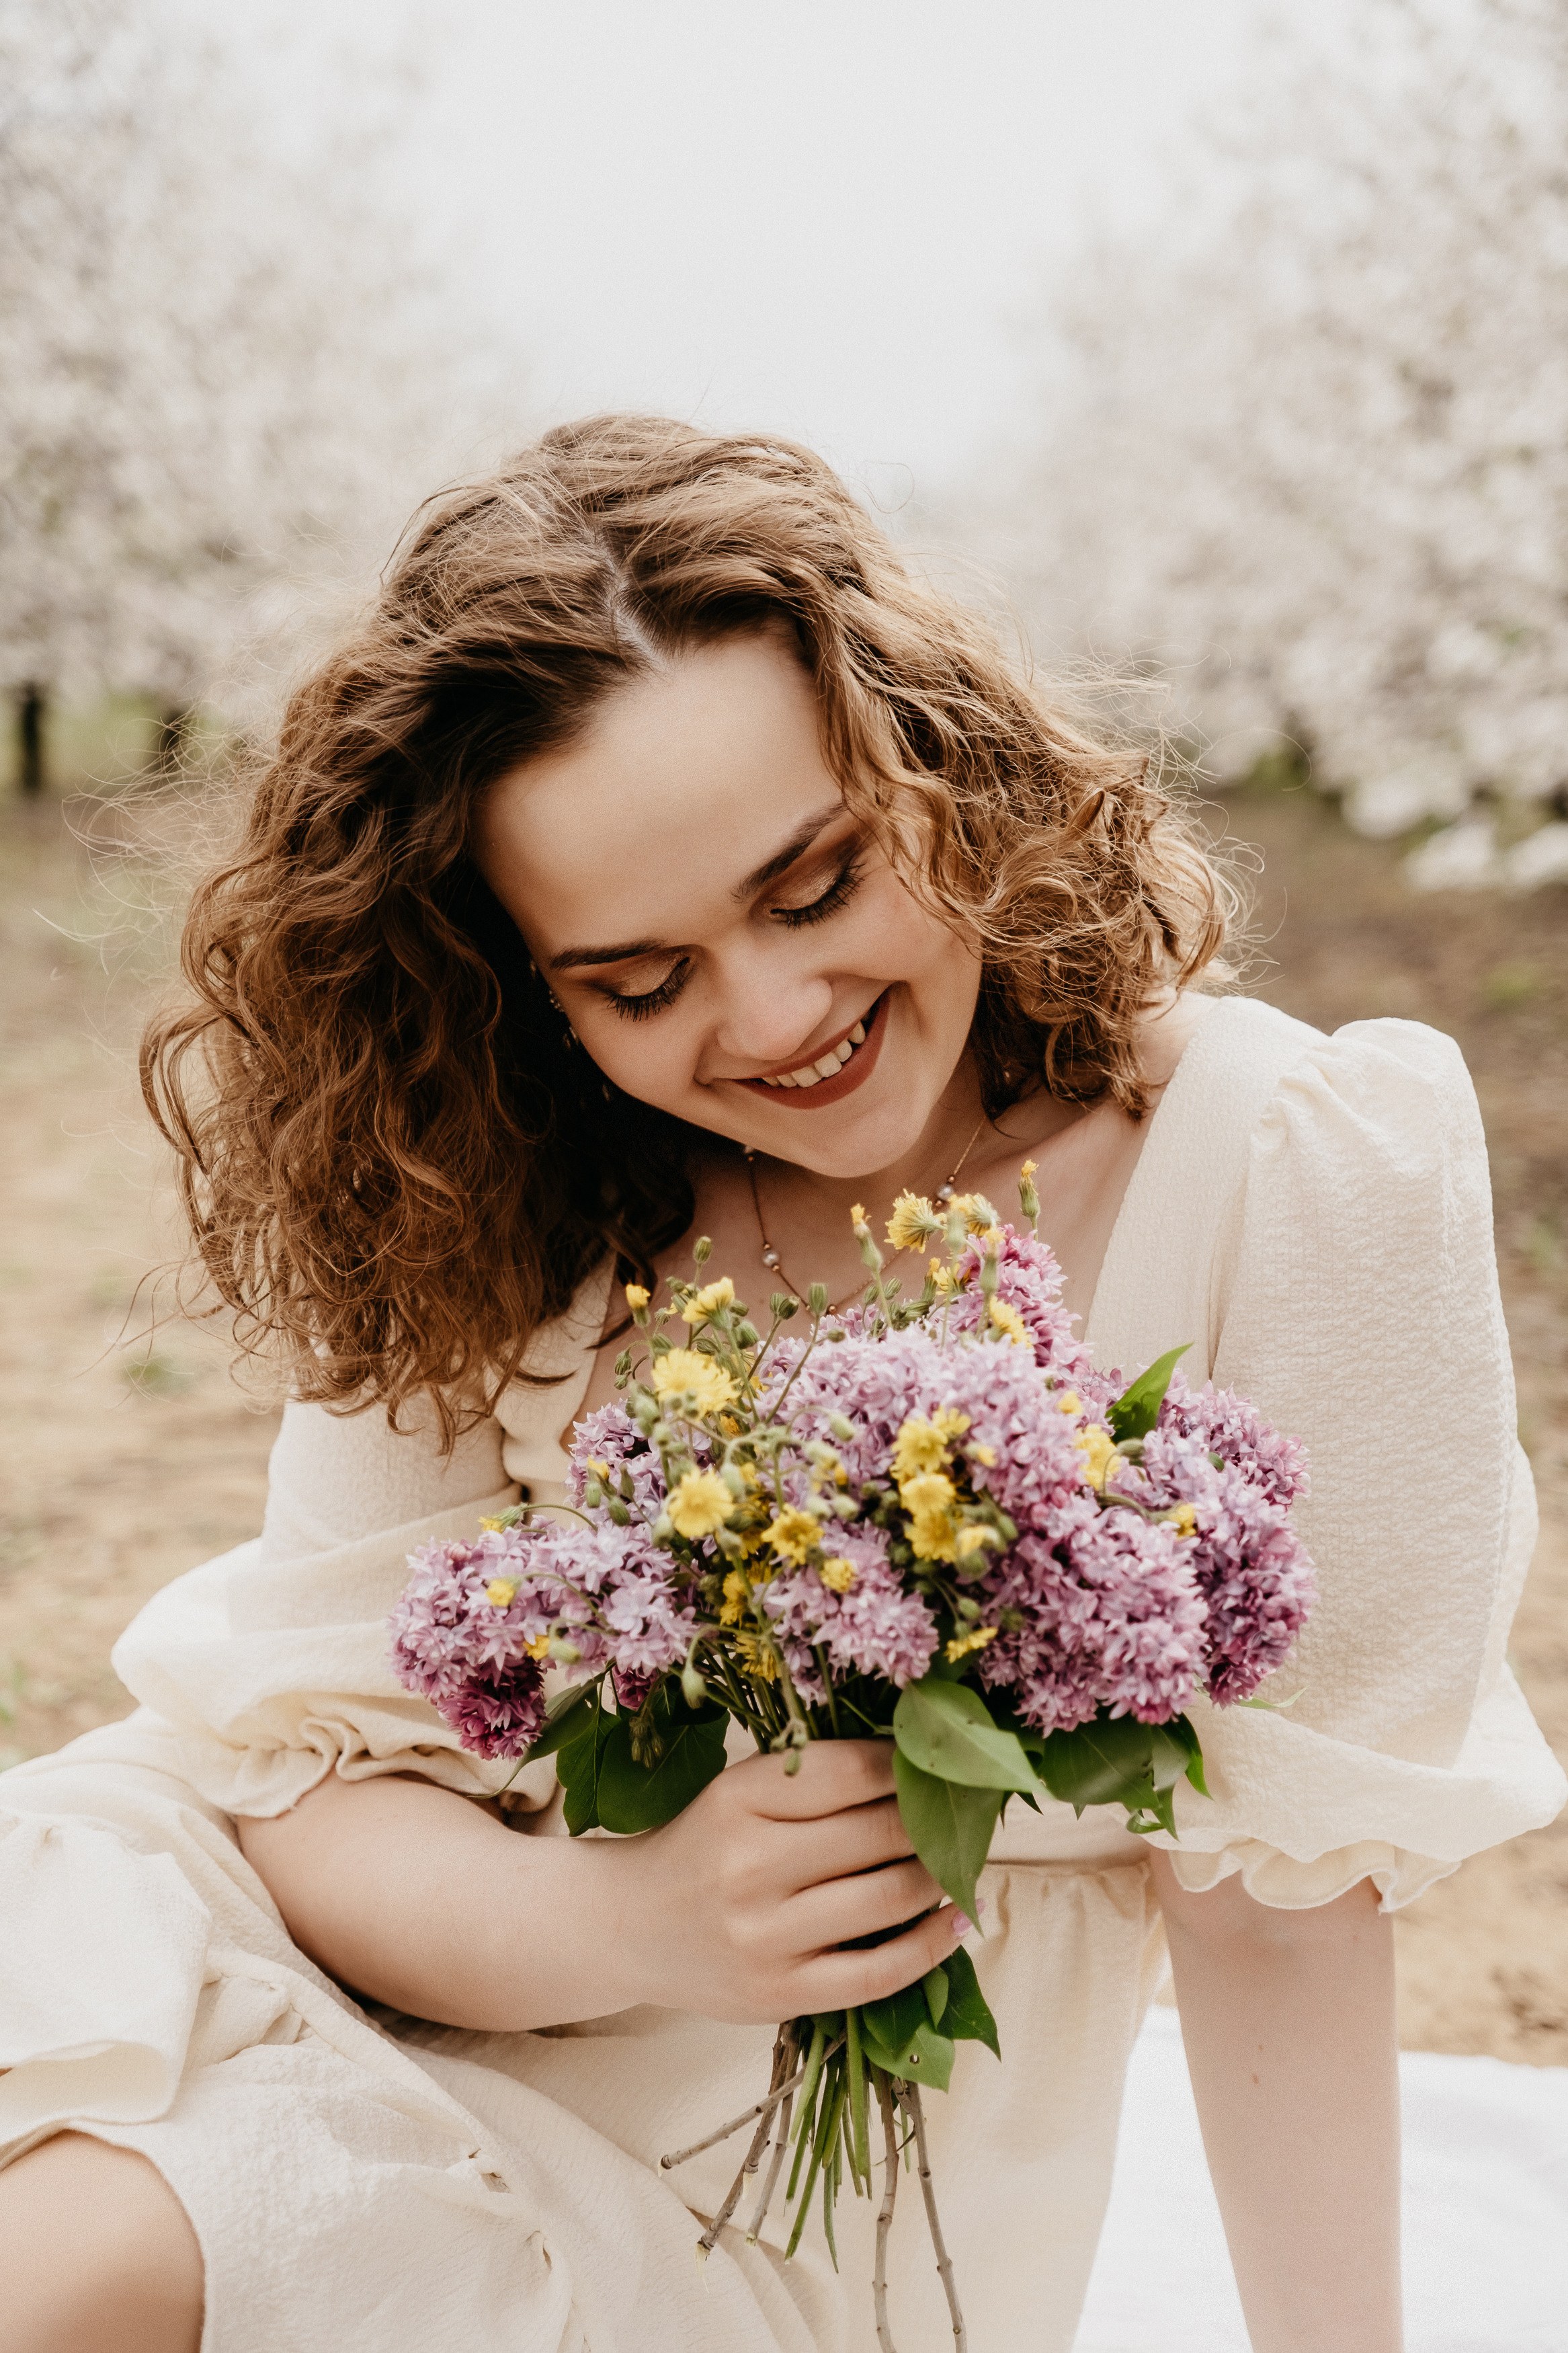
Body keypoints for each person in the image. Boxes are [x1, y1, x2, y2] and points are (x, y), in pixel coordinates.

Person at [1, 417, 1561, 2353]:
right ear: (528, 989)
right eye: (641, 982)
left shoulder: (1294, 1159)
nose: (772, 1019)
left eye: (815, 886)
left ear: (938, 763)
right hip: (334, 1974)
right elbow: (304, 1779)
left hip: (796, 2200)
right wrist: (635, 1922)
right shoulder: (479, 1175)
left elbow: (1288, 1896)